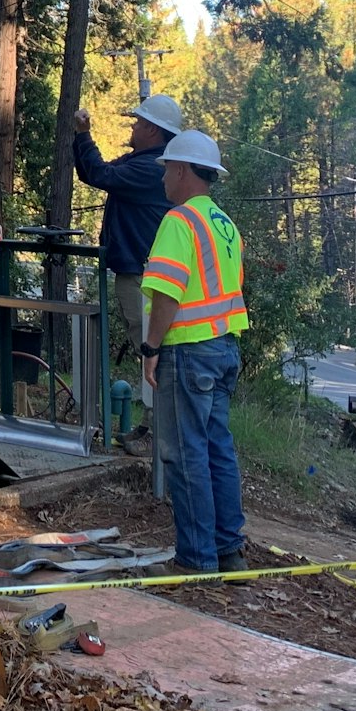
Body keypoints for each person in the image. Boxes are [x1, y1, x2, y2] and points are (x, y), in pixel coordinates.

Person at [139, 129, 249, 576]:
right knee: (218, 450)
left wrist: (151, 347)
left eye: (167, 169)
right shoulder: (225, 225)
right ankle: (228, 551)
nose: (163, 178)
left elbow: (166, 294)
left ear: (182, 170)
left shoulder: (180, 222)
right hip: (224, 349)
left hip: (188, 352)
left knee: (185, 456)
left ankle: (196, 560)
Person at [72, 93, 183, 282]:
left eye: (138, 122)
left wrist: (84, 135)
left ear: (151, 130)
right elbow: (92, 174)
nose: (133, 126)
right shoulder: (142, 160)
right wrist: (80, 138)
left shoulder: (151, 167)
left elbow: (101, 175)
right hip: (140, 269)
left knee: (138, 314)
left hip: (141, 273)